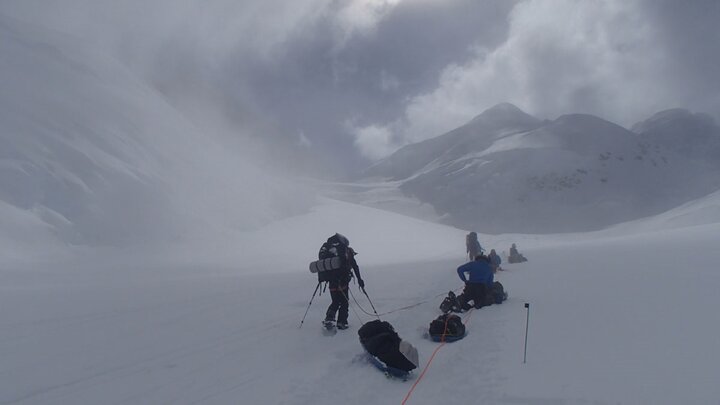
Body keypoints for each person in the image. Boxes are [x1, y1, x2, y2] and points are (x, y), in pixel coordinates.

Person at [322, 234, 364, 330]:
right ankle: (342, 322)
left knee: (335, 301)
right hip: (343, 282)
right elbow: (355, 267)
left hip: (332, 281)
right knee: (344, 302)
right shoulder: (347, 252)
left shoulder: (330, 252)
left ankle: (329, 318)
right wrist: (360, 280)